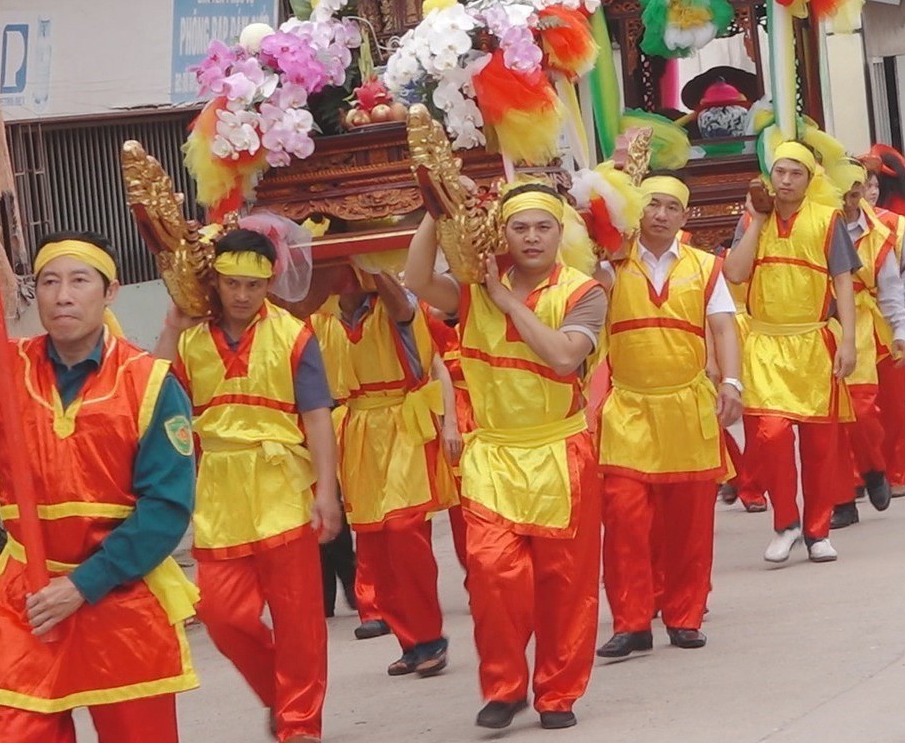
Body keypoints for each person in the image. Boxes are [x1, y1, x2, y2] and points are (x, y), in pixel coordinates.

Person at [0, 227, 199, 742]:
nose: (63, 295)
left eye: (79, 280)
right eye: (49, 281)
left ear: (110, 290)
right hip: (27, 599)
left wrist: (82, 585)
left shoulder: (151, 384)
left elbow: (165, 509)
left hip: (119, 596)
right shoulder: (0, 368)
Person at [406, 183, 606, 732]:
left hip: (559, 450)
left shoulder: (584, 291)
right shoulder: (470, 288)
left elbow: (565, 358)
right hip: (493, 454)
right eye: (520, 227)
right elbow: (417, 282)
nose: (532, 237)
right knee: (494, 577)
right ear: (505, 234)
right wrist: (435, 209)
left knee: (564, 584)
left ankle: (558, 692)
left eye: (543, 226)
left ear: (559, 233)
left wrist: (507, 301)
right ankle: (504, 685)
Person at [155, 228, 340, 743]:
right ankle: (283, 699)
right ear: (214, 281)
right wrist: (172, 323)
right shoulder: (190, 338)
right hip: (218, 488)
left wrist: (326, 492)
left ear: (269, 284)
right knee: (221, 614)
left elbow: (318, 416)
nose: (241, 295)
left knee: (298, 617)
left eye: (252, 286)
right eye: (231, 284)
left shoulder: (293, 334)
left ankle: (300, 724)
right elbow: (151, 390)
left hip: (282, 483)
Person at [595, 176, 742, 658]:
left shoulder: (705, 267)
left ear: (685, 216)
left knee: (690, 520)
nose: (660, 214)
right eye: (651, 204)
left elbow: (723, 326)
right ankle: (632, 621)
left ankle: (684, 615)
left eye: (671, 207)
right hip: (629, 407)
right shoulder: (611, 263)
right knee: (624, 518)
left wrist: (732, 383)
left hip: (687, 404)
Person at [309, 266, 459, 679]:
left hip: (402, 423)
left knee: (404, 530)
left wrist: (371, 265)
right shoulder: (320, 317)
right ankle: (409, 641)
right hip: (356, 428)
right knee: (374, 544)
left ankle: (431, 637)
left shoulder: (393, 305)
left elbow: (406, 313)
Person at [722, 140, 859, 565]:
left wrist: (850, 340)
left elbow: (843, 282)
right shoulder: (753, 219)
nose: (785, 181)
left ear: (809, 179)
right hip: (765, 343)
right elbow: (734, 273)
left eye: (795, 173)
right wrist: (758, 221)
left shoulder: (826, 219)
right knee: (772, 436)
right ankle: (786, 523)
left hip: (814, 341)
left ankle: (818, 530)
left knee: (820, 445)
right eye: (779, 172)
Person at [834, 159, 905, 527]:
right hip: (815, 327)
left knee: (861, 410)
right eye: (844, 195)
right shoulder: (814, 227)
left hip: (863, 327)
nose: (851, 202)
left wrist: (900, 330)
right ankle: (841, 498)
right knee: (827, 422)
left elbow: (892, 286)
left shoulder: (879, 232)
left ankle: (874, 468)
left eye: (856, 193)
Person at [861, 155, 905, 498]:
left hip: (885, 321)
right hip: (850, 324)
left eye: (873, 186)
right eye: (862, 187)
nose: (869, 193)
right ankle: (863, 471)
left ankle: (898, 472)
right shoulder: (834, 222)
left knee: (892, 404)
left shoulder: (893, 224)